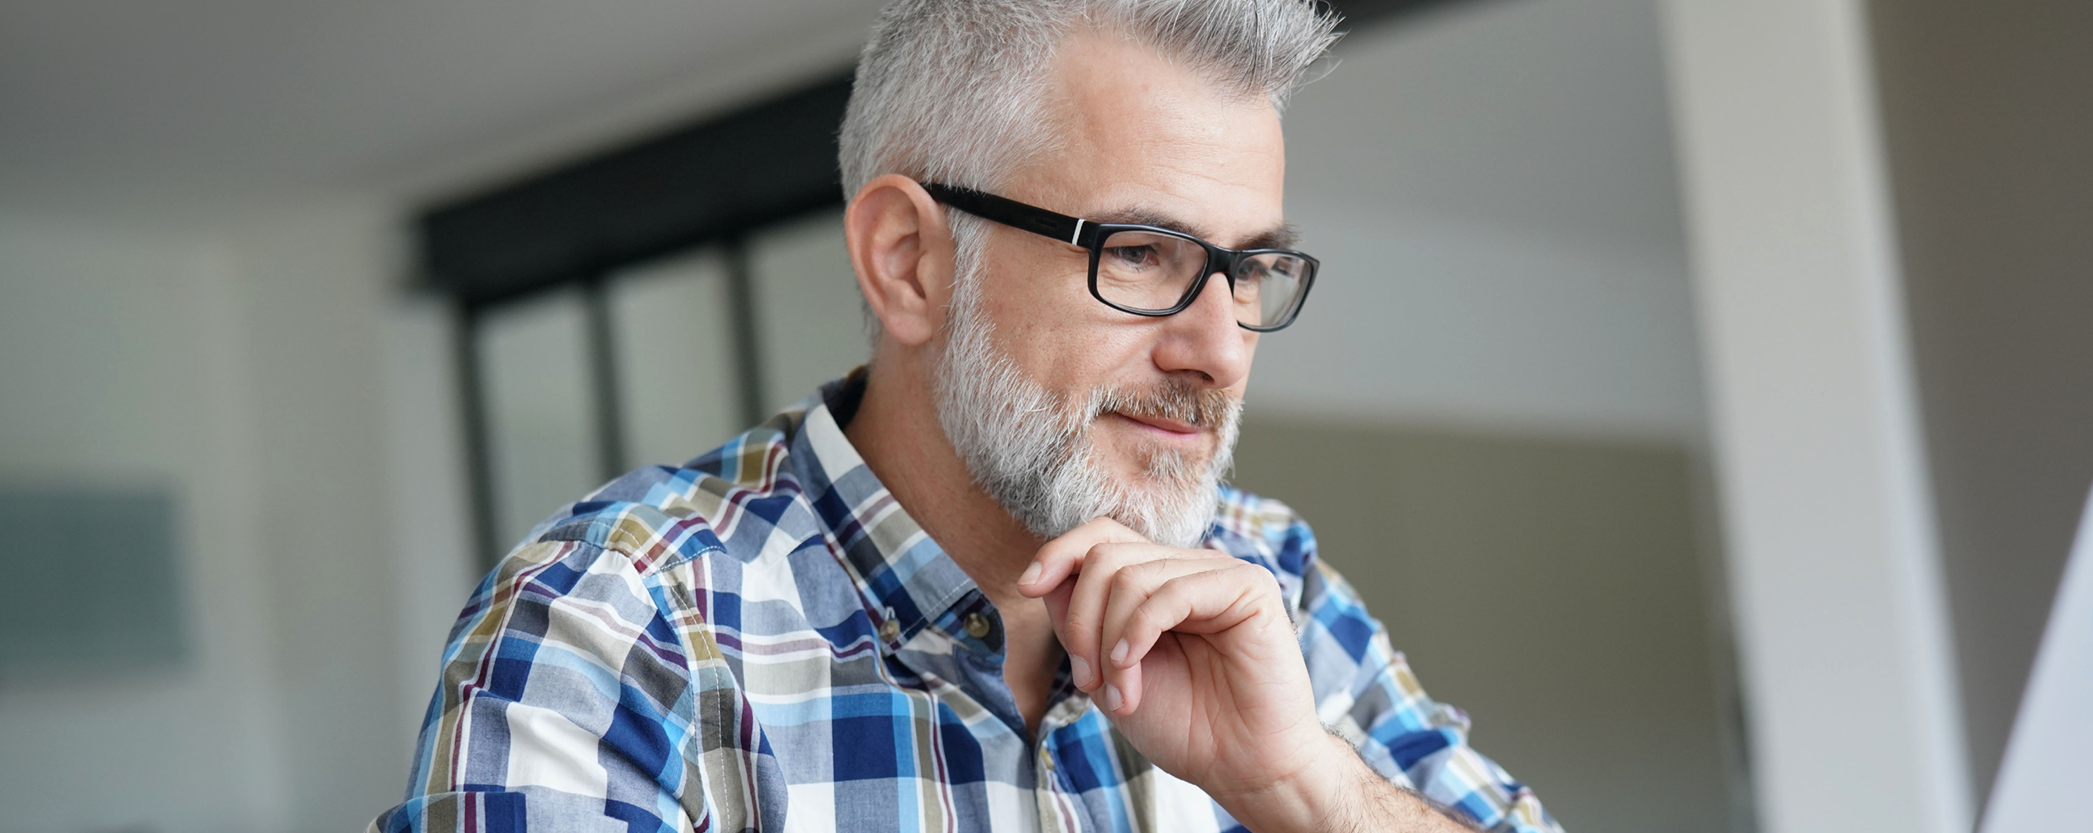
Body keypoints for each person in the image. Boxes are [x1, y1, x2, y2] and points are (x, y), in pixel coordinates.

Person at [371, 0, 1556, 830]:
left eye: (1248, 271)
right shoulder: (618, 631)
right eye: (1143, 254)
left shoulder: (1270, 583)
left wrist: (1304, 786)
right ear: (908, 262)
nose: (1219, 346)